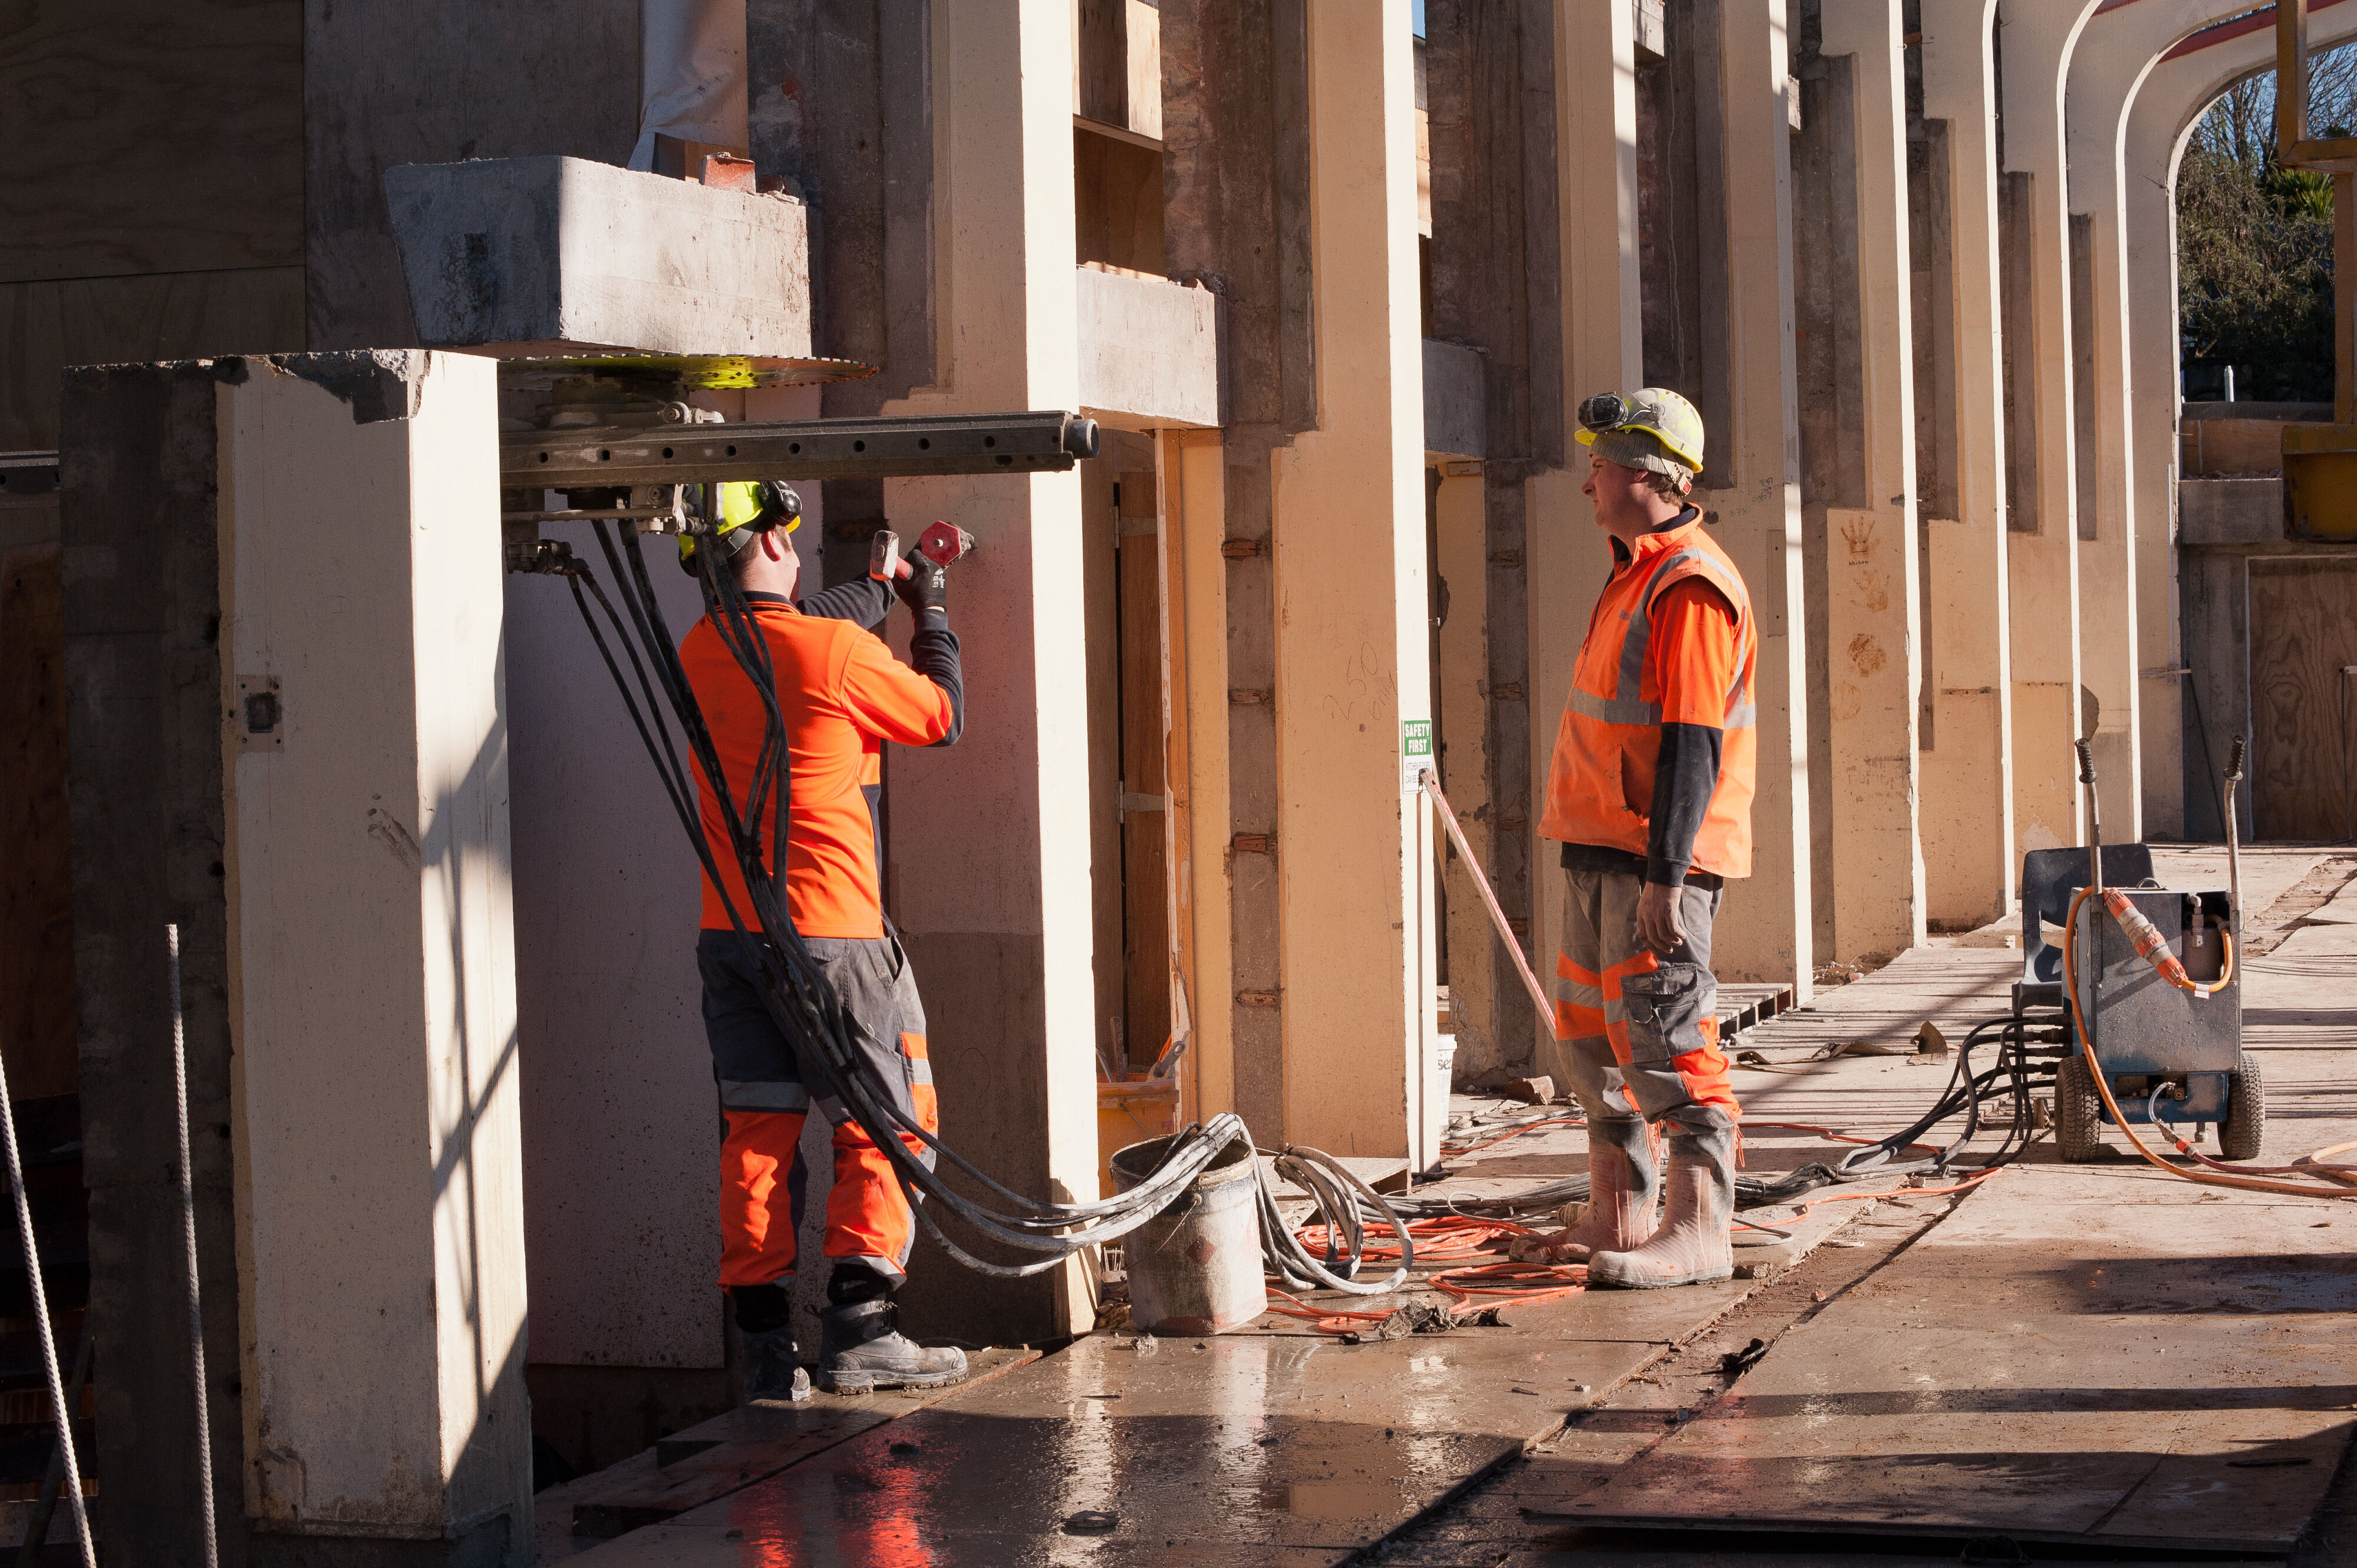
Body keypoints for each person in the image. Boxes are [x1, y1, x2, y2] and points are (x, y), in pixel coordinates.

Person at [679, 481, 971, 1399]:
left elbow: (793, 629)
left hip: (732, 939)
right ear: (769, 541)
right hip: (836, 936)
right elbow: (942, 715)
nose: (797, 549)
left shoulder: (697, 649)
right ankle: (861, 1326)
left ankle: (768, 1355)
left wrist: (872, 589)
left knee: (757, 1134)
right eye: (789, 535)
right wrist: (929, 607)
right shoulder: (836, 651)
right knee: (888, 1118)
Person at [1515, 388, 1756, 1290]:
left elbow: (1694, 741)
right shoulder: (1635, 572)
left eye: (1600, 467)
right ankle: (1618, 1215)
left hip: (1654, 862)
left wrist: (1667, 875)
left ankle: (1698, 1230)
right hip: (1597, 847)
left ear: (1649, 477)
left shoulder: (1688, 585)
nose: (1588, 484)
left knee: (1669, 1041)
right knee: (1592, 1045)